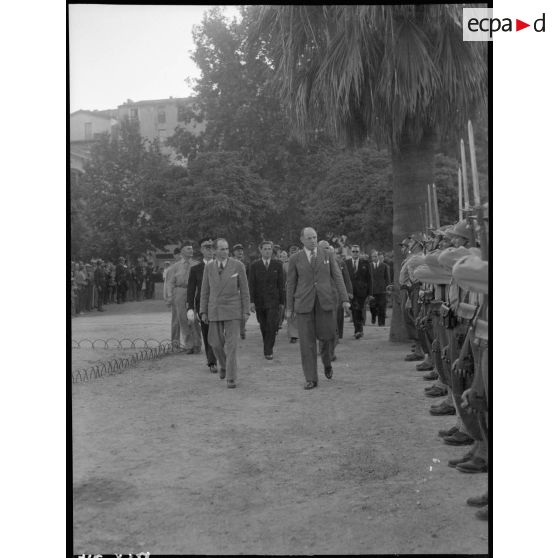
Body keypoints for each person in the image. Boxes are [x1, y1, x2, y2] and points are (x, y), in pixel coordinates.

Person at [286, 227, 350, 390]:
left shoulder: (327, 254)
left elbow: (337, 276)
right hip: (304, 304)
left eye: (314, 237)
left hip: (325, 302)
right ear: (301, 240)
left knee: (328, 336)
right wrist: (289, 306)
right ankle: (311, 378)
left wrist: (345, 299)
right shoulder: (295, 259)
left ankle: (327, 362)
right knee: (307, 344)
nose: (313, 240)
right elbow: (291, 284)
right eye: (309, 238)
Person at [200, 238, 250, 389]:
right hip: (214, 309)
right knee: (215, 343)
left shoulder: (238, 265)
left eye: (227, 249)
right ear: (214, 251)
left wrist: (246, 310)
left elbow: (245, 290)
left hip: (233, 310)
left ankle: (231, 377)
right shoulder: (208, 267)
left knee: (232, 345)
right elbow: (204, 291)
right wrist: (203, 311)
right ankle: (223, 365)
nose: (225, 252)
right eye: (221, 249)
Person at [249, 240, 285, 360]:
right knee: (263, 325)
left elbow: (281, 285)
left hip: (274, 300)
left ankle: (268, 350)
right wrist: (251, 301)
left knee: (272, 324)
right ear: (260, 250)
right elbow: (251, 284)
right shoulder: (254, 265)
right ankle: (267, 345)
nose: (268, 251)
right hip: (260, 301)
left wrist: (282, 302)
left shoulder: (278, 265)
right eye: (265, 249)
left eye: (270, 249)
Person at [187, 238, 218, 373]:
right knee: (207, 333)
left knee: (219, 334)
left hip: (220, 305)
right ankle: (212, 361)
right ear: (201, 250)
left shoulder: (220, 265)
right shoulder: (196, 269)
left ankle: (220, 357)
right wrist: (190, 308)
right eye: (206, 247)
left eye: (212, 247)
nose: (210, 250)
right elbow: (191, 289)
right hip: (203, 306)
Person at [165, 241, 202, 353]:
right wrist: (170, 297)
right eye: (188, 249)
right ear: (181, 251)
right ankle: (187, 345)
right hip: (180, 292)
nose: (191, 250)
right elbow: (170, 283)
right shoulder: (175, 267)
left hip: (194, 292)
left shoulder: (197, 265)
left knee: (194, 319)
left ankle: (197, 344)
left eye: (191, 248)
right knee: (181, 319)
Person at [345, 245, 373, 339]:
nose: (355, 253)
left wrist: (370, 293)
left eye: (357, 251)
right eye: (353, 251)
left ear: (359, 252)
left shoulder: (365, 263)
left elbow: (369, 279)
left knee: (359, 310)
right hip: (350, 292)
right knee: (354, 310)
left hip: (362, 291)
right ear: (351, 252)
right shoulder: (346, 263)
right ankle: (357, 330)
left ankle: (359, 330)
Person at [232, 243, 250, 340]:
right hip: (233, 290)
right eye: (237, 250)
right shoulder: (230, 263)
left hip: (242, 290)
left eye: (241, 250)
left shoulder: (245, 263)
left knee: (244, 311)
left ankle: (242, 329)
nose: (240, 252)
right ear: (233, 252)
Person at [369, 250, 390, 326]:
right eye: (372, 256)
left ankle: (381, 323)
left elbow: (387, 277)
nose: (374, 258)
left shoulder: (384, 266)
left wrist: (388, 288)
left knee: (382, 306)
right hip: (372, 290)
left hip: (382, 290)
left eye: (375, 256)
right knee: (372, 306)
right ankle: (373, 316)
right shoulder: (369, 266)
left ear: (378, 257)